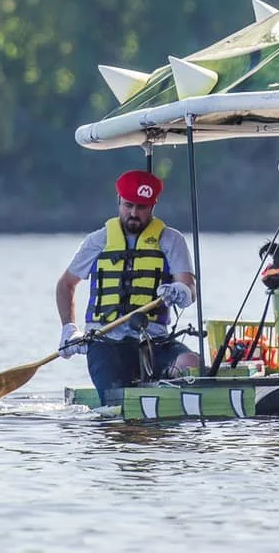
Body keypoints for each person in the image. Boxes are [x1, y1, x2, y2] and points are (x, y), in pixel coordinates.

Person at [55, 170, 199, 405]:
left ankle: (169, 395)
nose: (134, 213)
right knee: (118, 401)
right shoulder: (98, 241)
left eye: (141, 207)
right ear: (119, 201)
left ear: (153, 206)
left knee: (190, 364)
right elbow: (65, 285)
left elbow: (189, 287)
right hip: (105, 343)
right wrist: (69, 329)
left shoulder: (171, 240)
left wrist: (180, 291)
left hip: (155, 342)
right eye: (128, 205)